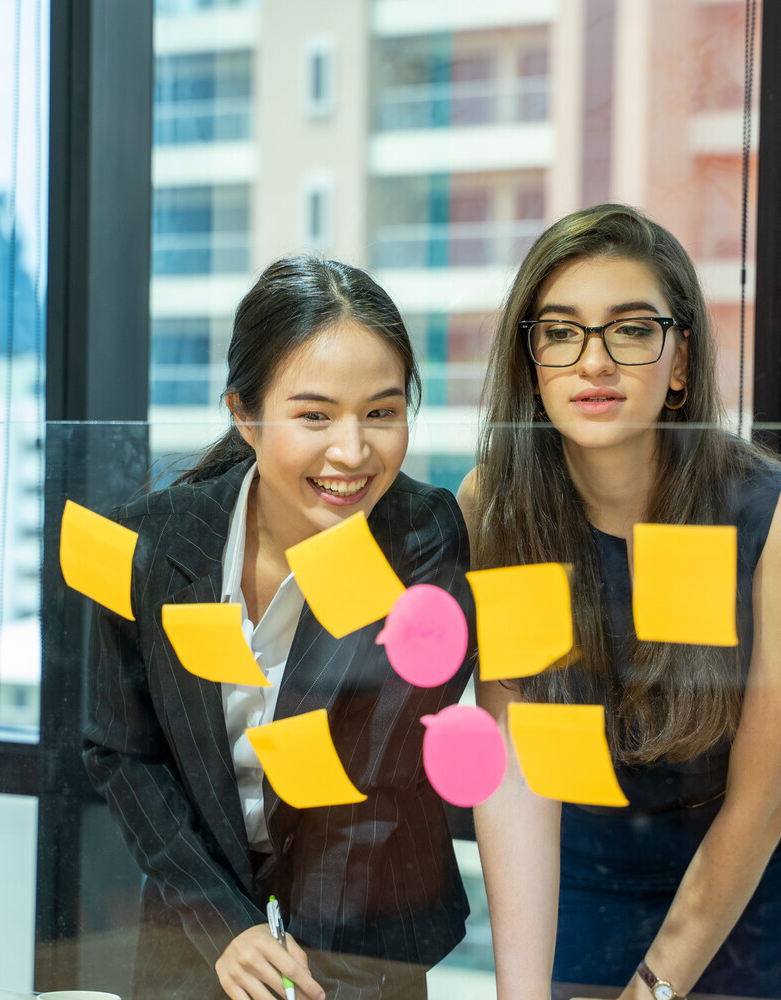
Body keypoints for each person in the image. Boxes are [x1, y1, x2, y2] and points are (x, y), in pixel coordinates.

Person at [462, 204, 781, 999]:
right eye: (560, 332)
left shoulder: (767, 514)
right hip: (596, 852)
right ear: (531, 362)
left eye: (630, 330)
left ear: (680, 360)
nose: (593, 362)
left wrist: (654, 989)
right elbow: (517, 768)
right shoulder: (498, 507)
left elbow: (761, 805)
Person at [83, 255, 474, 1000]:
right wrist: (226, 924)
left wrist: (309, 975)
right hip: (196, 921)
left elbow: (367, 780)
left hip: (361, 928)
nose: (353, 452)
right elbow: (121, 752)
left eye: (383, 413)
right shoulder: (153, 545)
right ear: (245, 414)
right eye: (315, 415)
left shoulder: (421, 538)